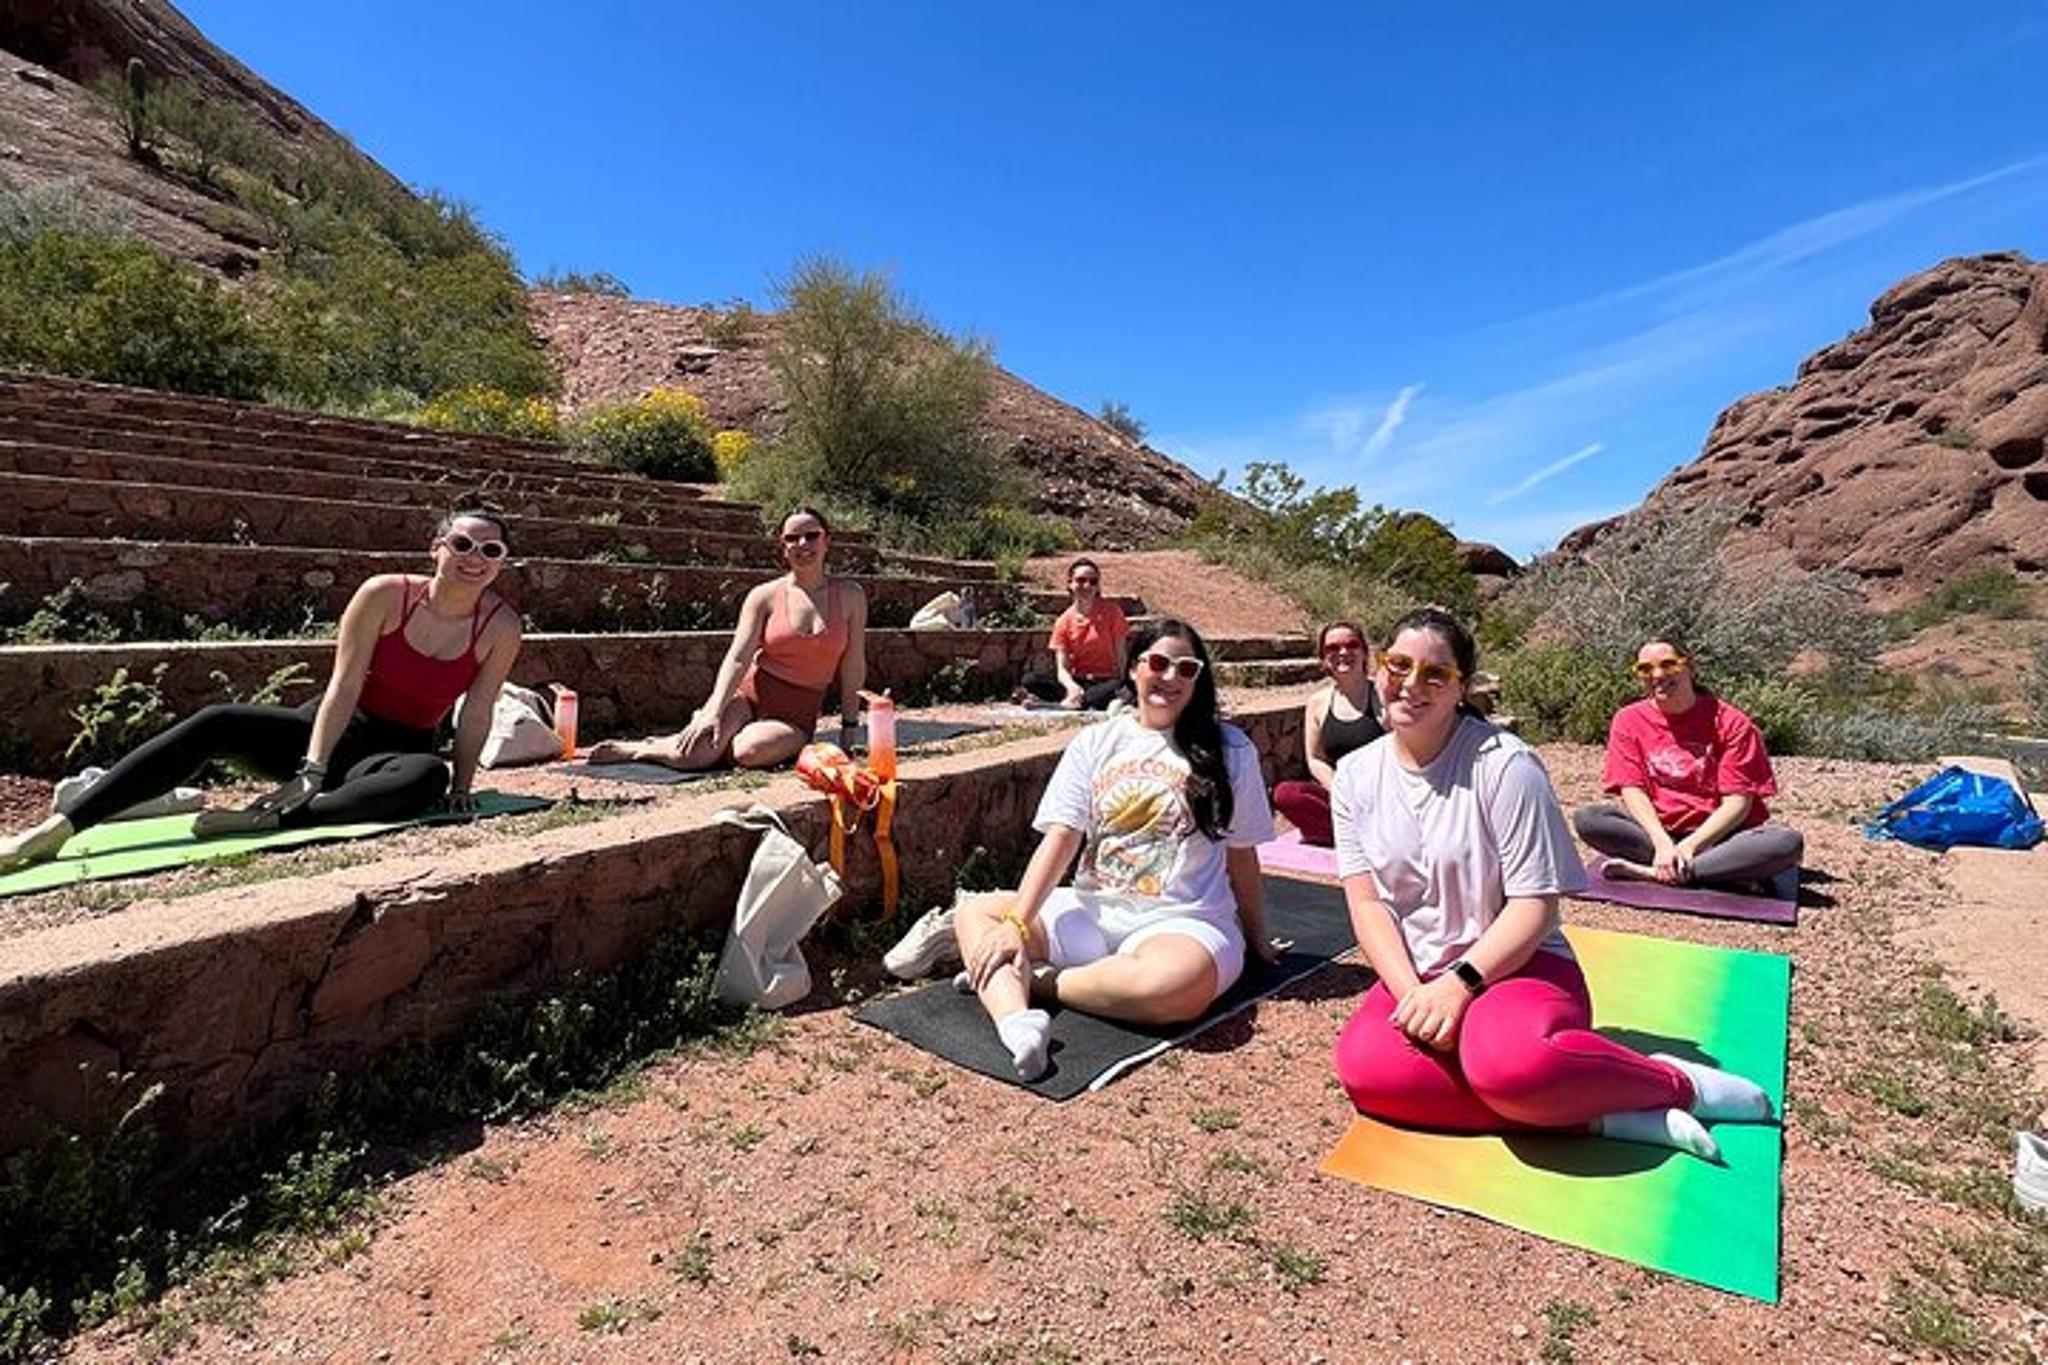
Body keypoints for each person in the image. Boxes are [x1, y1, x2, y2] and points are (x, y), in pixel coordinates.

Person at [1329, 608, 1774, 1161]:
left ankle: (1677, 1084)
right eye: (1398, 664)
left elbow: (1534, 908)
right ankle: (1602, 1116)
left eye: (1435, 674)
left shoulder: (1505, 766)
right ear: (1378, 668)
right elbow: (1367, 901)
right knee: (1367, 1072)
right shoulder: (1354, 775)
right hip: (1421, 969)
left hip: (1519, 963)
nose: (1412, 683)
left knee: (1510, 1065)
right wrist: (1412, 993)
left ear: (1460, 687)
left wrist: (1458, 984)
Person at [0, 508, 523, 870]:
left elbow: (476, 713)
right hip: (329, 729)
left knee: (427, 777)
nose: (474, 556)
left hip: (398, 753)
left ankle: (267, 818)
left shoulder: (500, 626)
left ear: (500, 562)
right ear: (437, 548)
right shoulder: (385, 595)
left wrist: (461, 788)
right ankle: (62, 828)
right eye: (462, 544)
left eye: (490, 549)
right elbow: (343, 686)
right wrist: (311, 770)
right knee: (218, 722)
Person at [953, 618, 1279, 1080]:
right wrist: (1015, 925)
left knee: (1175, 988)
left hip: (1182, 923)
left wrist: (1257, 938)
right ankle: (1017, 1023)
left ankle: (1041, 983)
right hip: (1091, 914)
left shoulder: (1230, 750)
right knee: (975, 914)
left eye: (1186, 669)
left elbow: (1242, 855)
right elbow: (1061, 838)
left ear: (1198, 679)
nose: (1170, 677)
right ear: (1133, 670)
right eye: (1159, 663)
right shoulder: (1096, 742)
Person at [587, 506, 869, 771]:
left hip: (795, 711)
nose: (802, 544)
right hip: (749, 695)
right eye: (792, 538)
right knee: (690, 757)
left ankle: (713, 743)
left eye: (811, 535)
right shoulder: (764, 596)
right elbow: (738, 656)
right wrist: (714, 708)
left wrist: (849, 728)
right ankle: (643, 749)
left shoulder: (850, 596)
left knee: (750, 751)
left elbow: (852, 664)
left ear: (827, 541)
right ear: (783, 547)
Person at [1572, 637, 1803, 890]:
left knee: (1786, 843)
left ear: (1690, 668)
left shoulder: (1732, 723)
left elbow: (1738, 804)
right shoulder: (1628, 720)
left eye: (1668, 664)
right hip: (1658, 832)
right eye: (1645, 669)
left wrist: (1690, 846)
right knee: (1589, 819)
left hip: (1719, 837)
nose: (1657, 675)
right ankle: (1713, 871)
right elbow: (1631, 788)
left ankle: (1659, 871)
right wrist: (1662, 841)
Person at [1271, 620, 1382, 846]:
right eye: (1332, 648)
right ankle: (1355, 835)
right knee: (1287, 794)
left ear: (1364, 652)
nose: (1343, 652)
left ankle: (1358, 834)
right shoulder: (1318, 702)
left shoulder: (1383, 697)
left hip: (1383, 795)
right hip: (1341, 794)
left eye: (1351, 645)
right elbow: (1316, 759)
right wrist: (1340, 791)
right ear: (1323, 658)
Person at [1014, 557, 1130, 711]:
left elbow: (1122, 654)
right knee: (1030, 680)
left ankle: (1062, 705)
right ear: (1070, 583)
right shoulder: (1064, 621)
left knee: (1107, 691)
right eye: (1081, 580)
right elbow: (1062, 667)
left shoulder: (1112, 612)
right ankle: (1075, 700)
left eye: (1093, 581)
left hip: (1107, 681)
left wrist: (1124, 683)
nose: (1087, 585)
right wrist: (1072, 687)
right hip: (1079, 681)